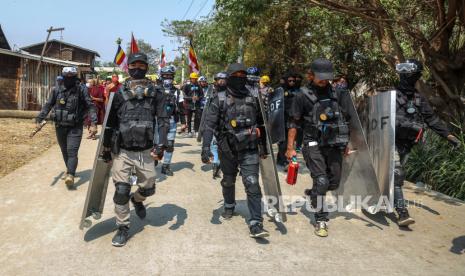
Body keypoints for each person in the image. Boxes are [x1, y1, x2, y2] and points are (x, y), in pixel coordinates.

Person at [101, 52, 168, 247]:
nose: (138, 68)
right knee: (121, 190)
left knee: (149, 188)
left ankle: (137, 200)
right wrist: (106, 148)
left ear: (147, 67)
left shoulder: (157, 93)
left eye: (142, 64)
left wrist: (162, 143)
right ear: (128, 67)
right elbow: (109, 123)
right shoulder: (118, 93)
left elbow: (163, 120)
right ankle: (122, 227)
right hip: (122, 150)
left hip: (146, 151)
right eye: (134, 64)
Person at [201, 63, 269, 238]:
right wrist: (206, 147)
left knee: (252, 183)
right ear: (229, 77)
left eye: (243, 75)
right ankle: (229, 205)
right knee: (228, 180)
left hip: (250, 148)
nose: (240, 79)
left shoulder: (255, 97)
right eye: (236, 76)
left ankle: (256, 222)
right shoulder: (220, 98)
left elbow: (262, 123)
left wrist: (264, 146)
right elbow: (209, 125)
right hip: (227, 149)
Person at [286, 58, 351, 237]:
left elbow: (345, 120)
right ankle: (321, 219)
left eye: (327, 77)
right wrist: (290, 147)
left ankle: (314, 194)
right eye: (321, 77)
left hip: (334, 143)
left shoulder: (338, 93)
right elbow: (293, 122)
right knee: (321, 180)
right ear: (310, 75)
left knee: (334, 182)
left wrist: (347, 143)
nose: (325, 81)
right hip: (312, 142)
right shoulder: (301, 95)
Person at [392, 58, 461, 226]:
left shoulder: (419, 99)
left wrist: (449, 136)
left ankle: (387, 196)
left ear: (415, 75)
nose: (404, 74)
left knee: (394, 177)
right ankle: (402, 213)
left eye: (408, 71)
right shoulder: (390, 95)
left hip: (407, 144)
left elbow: (432, 120)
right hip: (389, 141)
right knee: (396, 174)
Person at [36, 67, 97, 189]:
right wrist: (39, 118)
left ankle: (70, 174)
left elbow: (90, 105)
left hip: (75, 126)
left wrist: (94, 123)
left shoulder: (81, 89)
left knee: (72, 151)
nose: (69, 78)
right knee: (64, 151)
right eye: (66, 75)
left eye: (71, 76)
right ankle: (69, 169)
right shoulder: (57, 89)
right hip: (60, 126)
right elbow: (49, 104)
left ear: (75, 76)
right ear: (63, 76)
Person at [157, 65, 182, 176]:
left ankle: (166, 165)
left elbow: (181, 107)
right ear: (161, 76)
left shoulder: (177, 92)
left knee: (170, 144)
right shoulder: (155, 90)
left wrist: (184, 123)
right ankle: (154, 158)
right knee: (156, 143)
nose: (168, 77)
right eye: (165, 75)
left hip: (172, 120)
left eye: (170, 75)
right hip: (158, 120)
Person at [276, 72, 301, 169]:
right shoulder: (280, 91)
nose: (291, 82)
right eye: (289, 80)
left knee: (290, 141)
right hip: (282, 121)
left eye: (293, 81)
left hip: (293, 121)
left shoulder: (298, 92)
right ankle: (285, 161)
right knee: (283, 143)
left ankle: (281, 159)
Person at [209, 72, 228, 179]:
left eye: (223, 79)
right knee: (214, 144)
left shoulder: (231, 92)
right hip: (214, 123)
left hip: (227, 124)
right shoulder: (211, 92)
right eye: (219, 79)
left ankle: (223, 164)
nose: (221, 82)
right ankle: (216, 164)